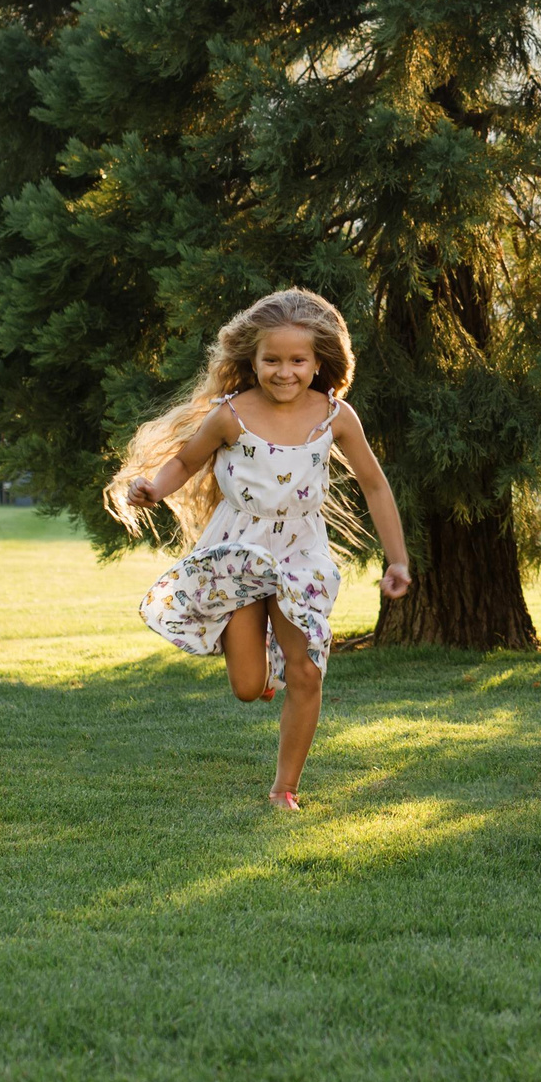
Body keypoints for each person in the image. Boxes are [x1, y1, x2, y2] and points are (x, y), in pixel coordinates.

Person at [110, 289, 412, 810]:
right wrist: (154, 489)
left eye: (298, 360)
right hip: (239, 552)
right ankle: (264, 661)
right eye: (272, 359)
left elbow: (376, 486)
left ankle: (284, 788)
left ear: (320, 362)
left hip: (301, 550)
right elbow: (184, 462)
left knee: (307, 670)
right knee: (248, 686)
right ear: (251, 359)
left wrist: (398, 559)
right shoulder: (231, 415)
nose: (285, 371)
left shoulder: (335, 416)